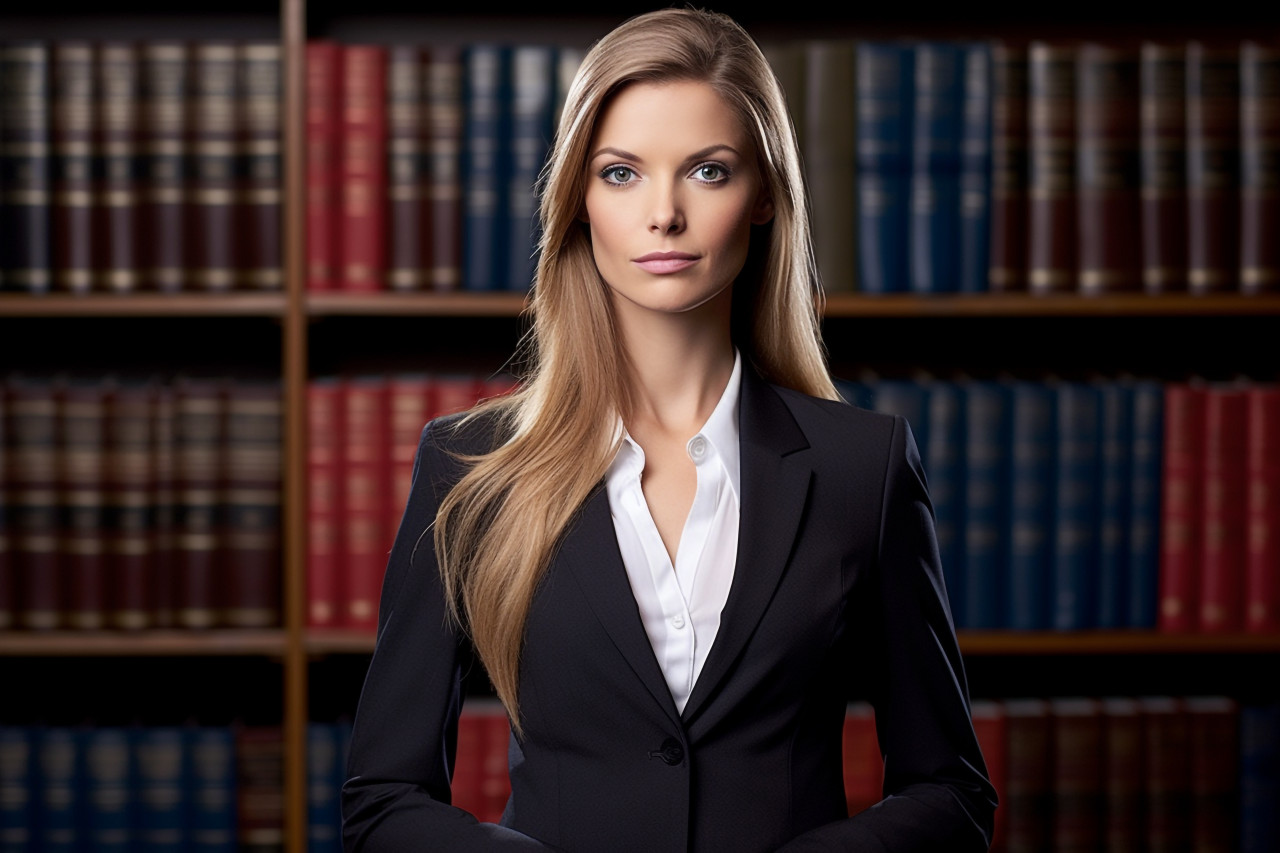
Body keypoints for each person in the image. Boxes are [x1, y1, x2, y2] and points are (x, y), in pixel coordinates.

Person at [341, 7, 997, 851]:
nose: (663, 214)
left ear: (763, 195)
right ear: (578, 196)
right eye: (621, 174)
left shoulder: (860, 469)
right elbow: (383, 797)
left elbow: (951, 791)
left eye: (707, 172)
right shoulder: (469, 468)